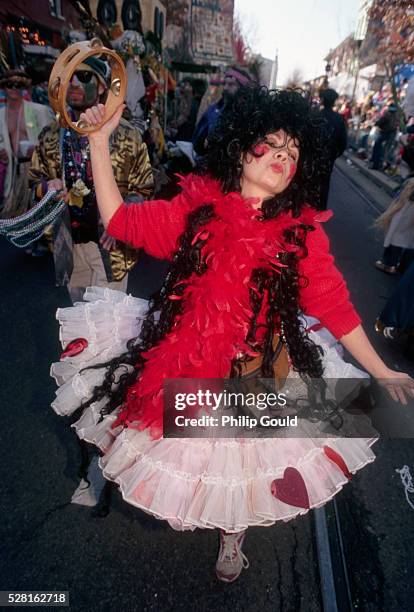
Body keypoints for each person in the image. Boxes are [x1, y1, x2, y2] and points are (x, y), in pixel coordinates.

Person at [50, 87, 414, 584]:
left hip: (257, 375)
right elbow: (120, 220)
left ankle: (232, 533)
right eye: (272, 145)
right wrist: (98, 143)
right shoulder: (193, 211)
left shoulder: (300, 235)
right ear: (241, 148)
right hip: (190, 368)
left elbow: (335, 306)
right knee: (187, 453)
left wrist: (381, 370)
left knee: (245, 463)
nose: (283, 159)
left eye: (293, 154)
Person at [28, 56, 153, 304]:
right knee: (79, 322)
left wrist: (121, 218)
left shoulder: (127, 135)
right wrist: (46, 187)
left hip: (109, 248)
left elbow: (145, 189)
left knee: (106, 327)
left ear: (102, 87)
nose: (73, 83)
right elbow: (33, 183)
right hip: (69, 246)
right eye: (69, 78)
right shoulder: (50, 135)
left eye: (84, 77)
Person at [0, 69, 53, 218]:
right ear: (4, 88)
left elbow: (52, 142)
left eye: (18, 85)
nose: (14, 89)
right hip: (12, 173)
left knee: (37, 212)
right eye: (10, 85)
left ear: (24, 87)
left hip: (35, 169)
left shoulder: (39, 111)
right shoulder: (0, 115)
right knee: (11, 215)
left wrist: (37, 150)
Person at [192, 66, 252, 156]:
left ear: (242, 88)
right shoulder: (214, 109)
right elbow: (198, 138)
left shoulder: (250, 115)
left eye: (231, 84)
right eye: (225, 84)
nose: (225, 88)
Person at [374, 152, 414, 274]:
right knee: (408, 235)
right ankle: (403, 265)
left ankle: (389, 263)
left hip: (409, 202)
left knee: (398, 231)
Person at [318, 88, 347, 209]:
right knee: (324, 183)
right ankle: (320, 209)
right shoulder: (339, 119)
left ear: (322, 100)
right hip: (328, 156)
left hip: (313, 155)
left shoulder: (315, 115)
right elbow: (343, 141)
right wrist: (335, 154)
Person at [369, 101, 398, 171]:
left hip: (385, 133)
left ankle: (376, 164)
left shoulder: (387, 114)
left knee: (378, 147)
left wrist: (375, 123)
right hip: (392, 134)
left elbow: (380, 122)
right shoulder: (396, 115)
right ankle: (382, 165)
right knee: (386, 150)